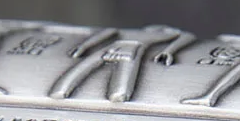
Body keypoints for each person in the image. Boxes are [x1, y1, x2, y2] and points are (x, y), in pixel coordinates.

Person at [48, 25, 195, 103]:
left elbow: (186, 37)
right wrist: (83, 46)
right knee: (78, 72)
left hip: (131, 51)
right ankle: (61, 90)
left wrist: (169, 51)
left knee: (119, 91)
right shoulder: (152, 34)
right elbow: (186, 36)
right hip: (122, 50)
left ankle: (61, 90)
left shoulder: (160, 35)